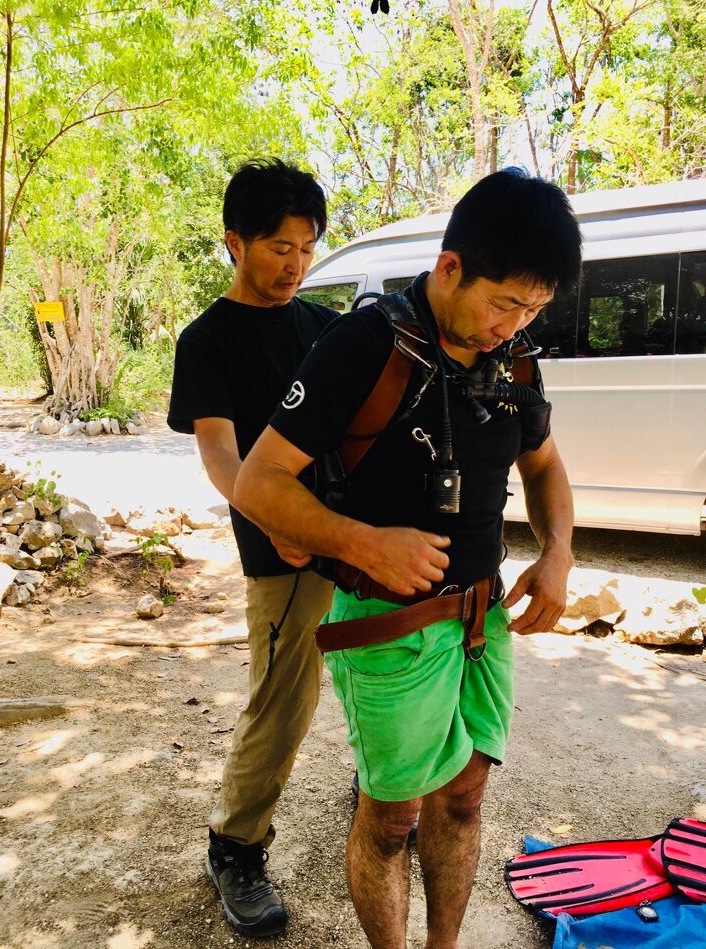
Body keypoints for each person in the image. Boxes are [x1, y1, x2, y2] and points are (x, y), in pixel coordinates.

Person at [233, 168, 583, 948]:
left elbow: (545, 465)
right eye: (504, 303)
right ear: (450, 267)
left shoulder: (515, 357)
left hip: (481, 620)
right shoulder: (364, 346)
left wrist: (559, 550)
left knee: (465, 799)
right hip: (385, 624)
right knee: (392, 817)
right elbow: (259, 481)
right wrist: (361, 541)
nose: (512, 325)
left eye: (532, 310)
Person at [167, 158, 336, 938]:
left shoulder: (326, 328)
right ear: (235, 242)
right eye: (278, 248)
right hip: (281, 556)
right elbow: (221, 455)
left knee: (381, 666)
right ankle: (235, 846)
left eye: (305, 247)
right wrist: (275, 522)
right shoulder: (207, 340)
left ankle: (382, 794)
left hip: (353, 535)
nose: (295, 265)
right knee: (283, 703)